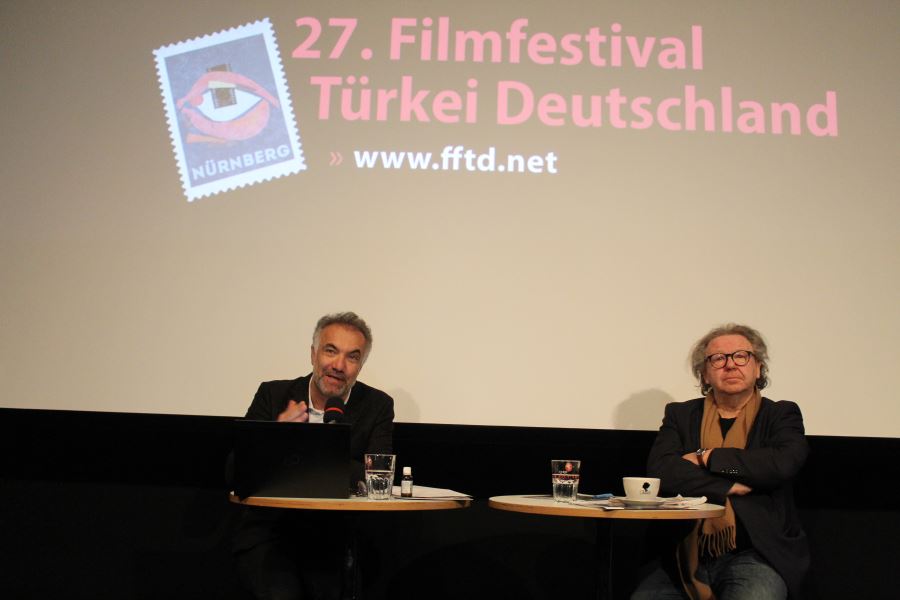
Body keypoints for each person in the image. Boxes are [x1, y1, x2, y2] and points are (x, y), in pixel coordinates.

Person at [631, 324, 809, 600]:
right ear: (704, 373)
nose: (730, 365)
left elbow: (781, 464)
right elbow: (662, 469)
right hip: (684, 554)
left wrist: (708, 457)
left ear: (758, 367)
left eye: (741, 356)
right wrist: (725, 487)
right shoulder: (681, 414)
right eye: (718, 358)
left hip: (756, 553)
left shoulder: (780, 414)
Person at [233, 312, 395, 600]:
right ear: (313, 354)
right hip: (271, 534)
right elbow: (234, 470)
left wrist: (304, 450)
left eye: (352, 357)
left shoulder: (376, 405)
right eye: (330, 351)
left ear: (360, 366)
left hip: (335, 538)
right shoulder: (273, 395)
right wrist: (276, 437)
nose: (339, 366)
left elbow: (377, 476)